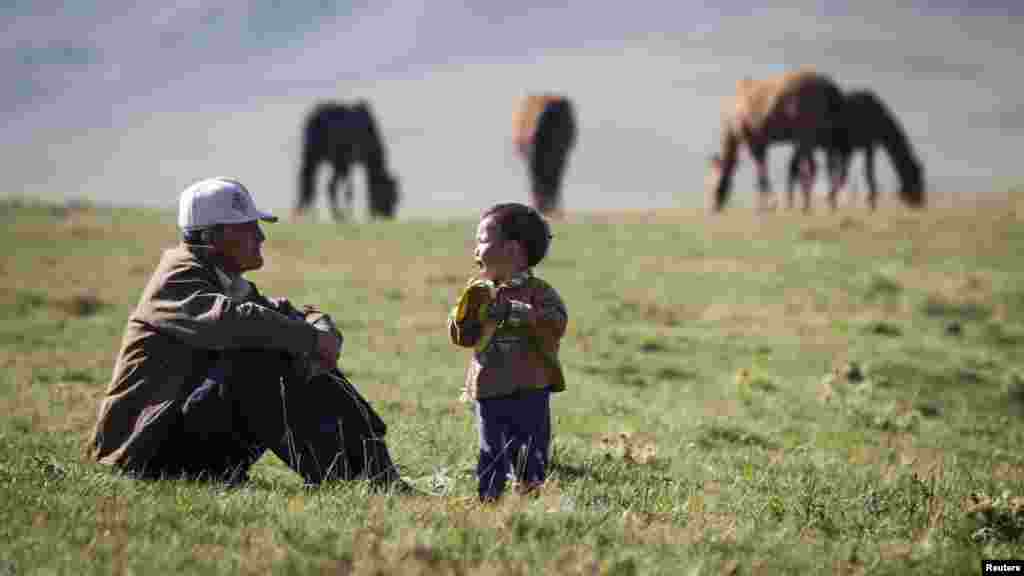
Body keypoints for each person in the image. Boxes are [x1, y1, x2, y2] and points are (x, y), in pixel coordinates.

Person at [89, 177, 402, 488]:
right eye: (249, 229)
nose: (261, 237)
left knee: (285, 345)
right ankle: (345, 478)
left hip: (182, 441)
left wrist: (319, 330)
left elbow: (281, 315)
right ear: (213, 236)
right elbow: (235, 321)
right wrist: (311, 338)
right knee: (261, 357)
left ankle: (377, 472)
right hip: (146, 455)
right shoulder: (177, 278)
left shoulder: (219, 277)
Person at [448, 203, 568, 501]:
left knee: (531, 447)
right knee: (491, 448)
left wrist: (513, 312)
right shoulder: (477, 291)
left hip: (531, 386)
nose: (475, 249)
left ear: (513, 250)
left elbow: (556, 322)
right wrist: (461, 320)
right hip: (488, 387)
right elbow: (464, 337)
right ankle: (489, 499)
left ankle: (531, 494)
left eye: (483, 240)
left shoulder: (539, 292)